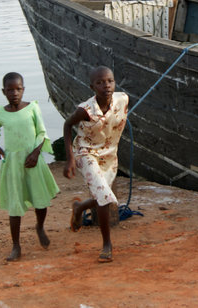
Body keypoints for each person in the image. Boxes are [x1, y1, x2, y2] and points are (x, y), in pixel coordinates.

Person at [0, 72, 60, 262]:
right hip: (13, 163)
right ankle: (16, 246)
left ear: (23, 90)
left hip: (32, 159)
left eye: (18, 89)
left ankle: (40, 226)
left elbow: (42, 132)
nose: (14, 93)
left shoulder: (32, 108)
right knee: (15, 205)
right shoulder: (0, 113)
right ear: (4, 92)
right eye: (10, 90)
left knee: (40, 200)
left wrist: (36, 153)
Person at [63, 66, 129, 263]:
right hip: (87, 153)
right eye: (100, 83)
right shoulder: (85, 110)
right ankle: (107, 244)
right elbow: (67, 125)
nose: (106, 85)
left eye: (109, 81)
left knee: (104, 196)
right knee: (104, 195)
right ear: (92, 86)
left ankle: (79, 207)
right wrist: (70, 159)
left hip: (109, 154)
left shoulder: (123, 99)